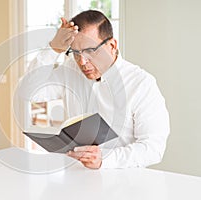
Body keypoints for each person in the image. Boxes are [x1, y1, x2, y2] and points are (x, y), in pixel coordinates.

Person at [17, 10, 170, 169]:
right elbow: (28, 92)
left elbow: (153, 148)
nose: (82, 62)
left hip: (124, 184)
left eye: (90, 51)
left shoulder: (141, 83)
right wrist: (53, 49)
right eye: (76, 52)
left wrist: (104, 159)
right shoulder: (71, 69)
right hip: (75, 176)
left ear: (112, 45)